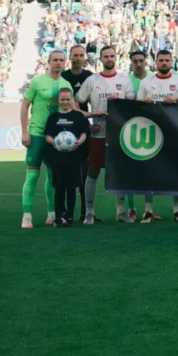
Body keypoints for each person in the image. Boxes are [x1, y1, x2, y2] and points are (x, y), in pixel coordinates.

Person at [75, 45, 135, 224]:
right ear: (101, 59)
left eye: (112, 56)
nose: (109, 59)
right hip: (98, 134)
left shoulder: (124, 81)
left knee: (119, 171)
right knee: (93, 171)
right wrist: (86, 121)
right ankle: (89, 213)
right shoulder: (92, 80)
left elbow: (133, 106)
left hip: (120, 135)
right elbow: (76, 103)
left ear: (116, 58)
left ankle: (121, 213)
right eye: (106, 56)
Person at [20, 50, 73, 229]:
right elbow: (25, 105)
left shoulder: (66, 84)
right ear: (48, 62)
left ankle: (52, 214)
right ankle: (27, 216)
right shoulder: (37, 81)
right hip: (36, 134)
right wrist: (24, 131)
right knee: (32, 174)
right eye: (55, 60)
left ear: (65, 63)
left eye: (61, 60)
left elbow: (71, 110)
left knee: (52, 176)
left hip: (57, 138)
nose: (58, 63)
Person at [136, 49, 178, 223]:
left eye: (167, 60)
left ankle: (177, 210)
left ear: (172, 61)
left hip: (174, 132)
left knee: (177, 170)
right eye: (161, 60)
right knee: (149, 170)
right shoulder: (146, 82)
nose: (164, 63)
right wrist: (144, 103)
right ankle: (149, 210)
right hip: (151, 132)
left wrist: (176, 100)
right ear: (156, 62)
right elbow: (137, 107)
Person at [44, 88, 89, 228]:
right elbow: (47, 136)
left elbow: (84, 133)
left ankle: (69, 217)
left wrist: (78, 142)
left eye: (68, 99)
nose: (65, 102)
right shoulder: (53, 117)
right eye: (62, 99)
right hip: (57, 158)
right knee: (59, 187)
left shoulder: (78, 116)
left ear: (72, 100)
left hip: (74, 158)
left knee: (71, 188)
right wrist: (55, 143)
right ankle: (58, 218)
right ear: (58, 100)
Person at [61, 45, 93, 223]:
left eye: (81, 55)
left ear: (84, 57)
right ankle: (65, 212)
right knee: (67, 173)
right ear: (70, 57)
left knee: (85, 173)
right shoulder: (64, 77)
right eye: (75, 55)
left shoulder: (89, 77)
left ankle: (86, 212)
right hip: (65, 131)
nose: (78, 58)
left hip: (83, 129)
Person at [125, 50, 155, 222]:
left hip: (149, 130)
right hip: (130, 130)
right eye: (134, 61)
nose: (138, 63)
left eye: (141, 60)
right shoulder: (125, 80)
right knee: (129, 171)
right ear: (130, 62)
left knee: (147, 171)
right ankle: (131, 209)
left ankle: (149, 209)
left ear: (146, 62)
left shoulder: (152, 79)